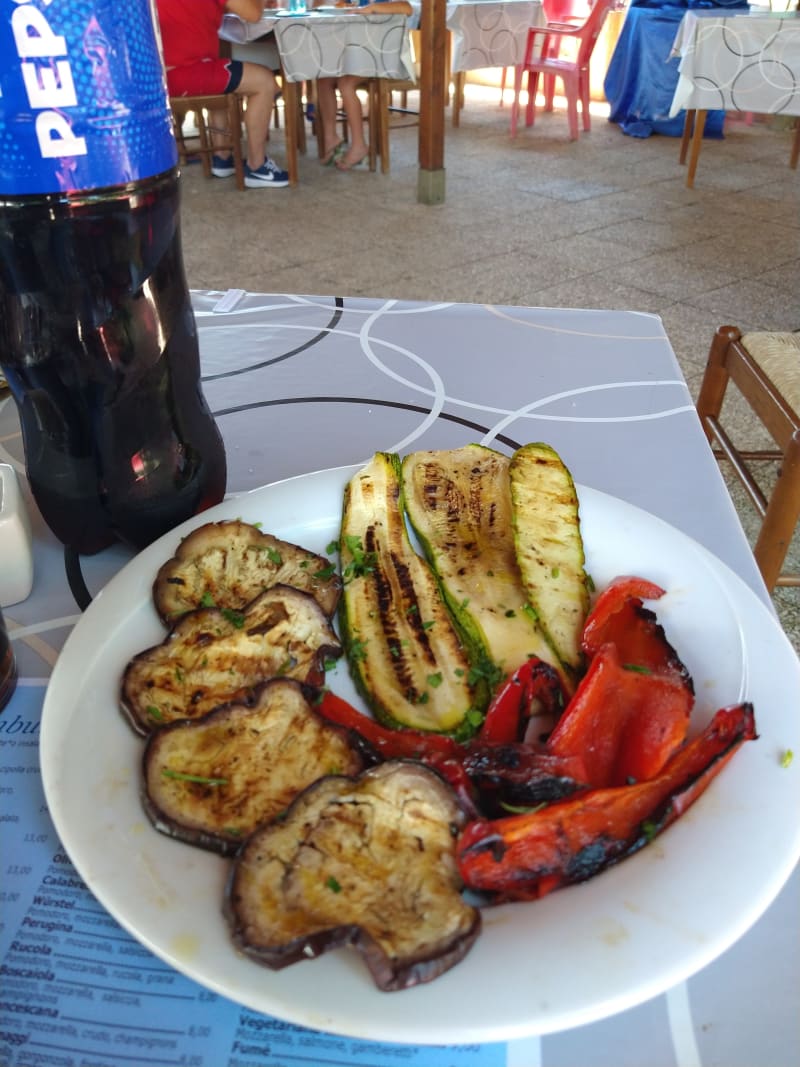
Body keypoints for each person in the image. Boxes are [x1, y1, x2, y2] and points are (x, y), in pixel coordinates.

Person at [156, 0, 290, 189]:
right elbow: (253, 14)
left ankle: (223, 157)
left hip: (158, 72)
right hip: (185, 71)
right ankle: (257, 166)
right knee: (266, 82)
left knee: (221, 70)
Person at [315, 0, 413, 171]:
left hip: (383, 53)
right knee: (324, 77)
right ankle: (331, 138)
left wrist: (374, 8)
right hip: (360, 50)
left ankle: (359, 145)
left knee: (346, 84)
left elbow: (407, 7)